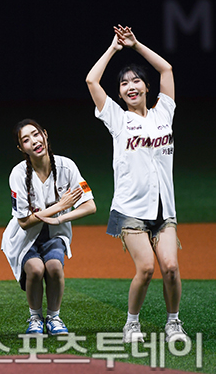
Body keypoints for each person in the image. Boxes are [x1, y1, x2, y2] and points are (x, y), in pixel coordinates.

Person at [86, 25, 187, 343]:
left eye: (136, 81)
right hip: (130, 209)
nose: (130, 86)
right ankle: (132, 324)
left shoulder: (164, 113)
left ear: (146, 87)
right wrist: (114, 49)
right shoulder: (118, 119)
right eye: (124, 83)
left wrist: (136, 44)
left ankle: (173, 322)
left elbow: (166, 68)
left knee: (170, 267)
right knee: (146, 269)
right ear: (119, 94)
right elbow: (91, 81)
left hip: (163, 208)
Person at [1, 119, 96, 336]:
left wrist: (60, 219)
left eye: (36, 134)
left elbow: (90, 205)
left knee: (54, 267)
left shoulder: (66, 166)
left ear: (45, 134)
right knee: (35, 269)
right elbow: (24, 222)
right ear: (21, 148)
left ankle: (54, 317)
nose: (34, 141)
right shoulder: (18, 174)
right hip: (25, 237)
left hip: (55, 234)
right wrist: (60, 207)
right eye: (26, 140)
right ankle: (35, 318)